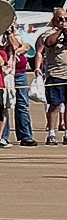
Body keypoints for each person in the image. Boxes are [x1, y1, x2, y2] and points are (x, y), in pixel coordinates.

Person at [38, 8, 67, 144]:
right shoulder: (49, 32)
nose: (63, 21)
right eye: (60, 19)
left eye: (65, 19)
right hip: (56, 74)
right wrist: (61, 30)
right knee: (54, 105)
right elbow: (48, 42)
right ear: (54, 19)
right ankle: (51, 133)